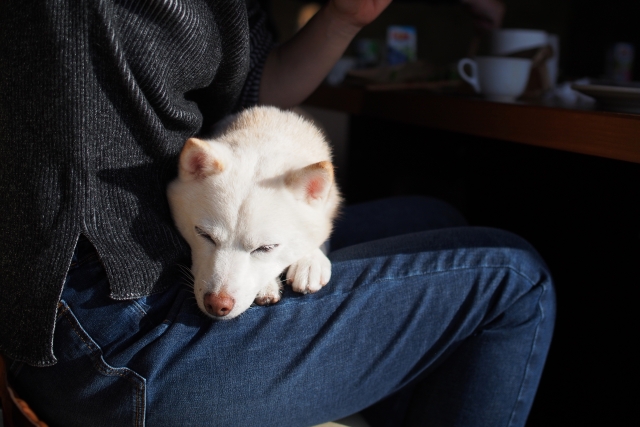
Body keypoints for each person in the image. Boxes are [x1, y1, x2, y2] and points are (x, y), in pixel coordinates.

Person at [0, 0, 554, 426]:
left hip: (148, 277)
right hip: (111, 338)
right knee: (514, 278)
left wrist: (344, 16)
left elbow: (256, 84)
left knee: (436, 219)